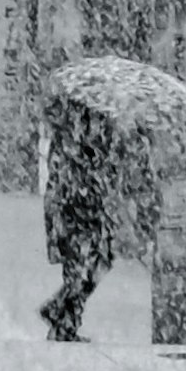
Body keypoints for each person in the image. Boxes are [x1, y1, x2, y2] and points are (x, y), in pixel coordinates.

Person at [42, 88, 127, 341]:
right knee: (88, 260)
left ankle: (63, 315)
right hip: (76, 205)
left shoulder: (83, 129)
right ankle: (64, 319)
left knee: (90, 260)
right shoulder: (77, 132)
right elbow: (87, 167)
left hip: (76, 204)